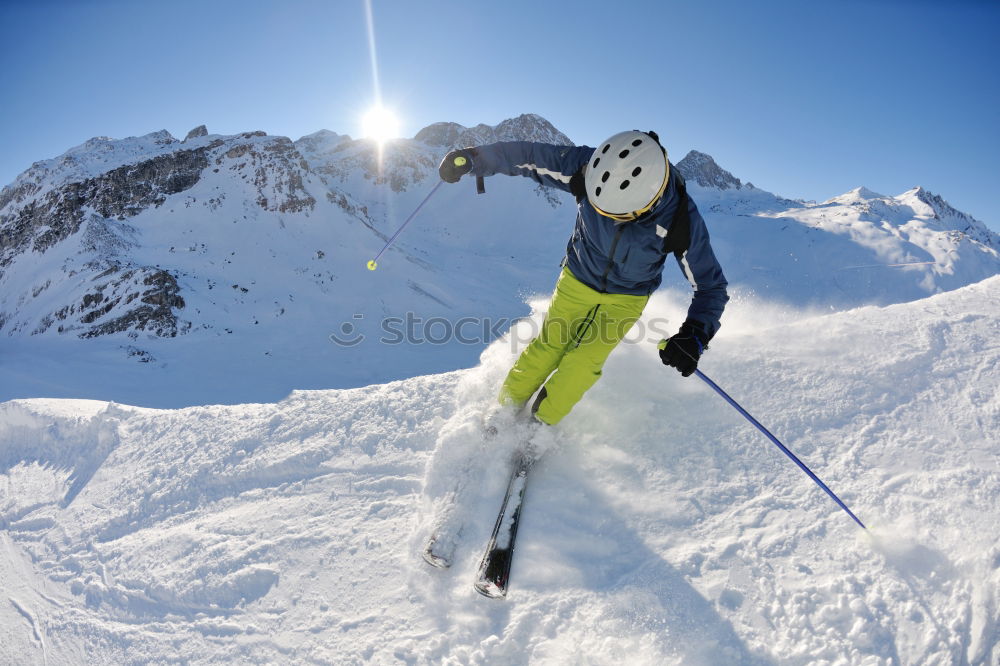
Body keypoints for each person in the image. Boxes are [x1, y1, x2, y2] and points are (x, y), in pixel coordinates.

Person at [438, 130, 729, 426]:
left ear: (648, 203)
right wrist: (474, 159)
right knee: (548, 348)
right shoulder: (587, 167)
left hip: (627, 298)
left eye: (621, 215)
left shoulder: (681, 218)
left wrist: (694, 334)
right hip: (578, 278)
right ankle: (501, 417)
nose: (612, 220)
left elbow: (711, 286)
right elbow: (528, 155)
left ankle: (537, 430)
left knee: (583, 363)